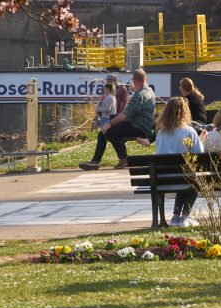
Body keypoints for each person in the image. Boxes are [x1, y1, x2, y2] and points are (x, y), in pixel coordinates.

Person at [81, 68, 155, 168]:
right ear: (145, 79)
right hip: (141, 125)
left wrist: (109, 123)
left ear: (136, 80)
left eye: (133, 79)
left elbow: (125, 114)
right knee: (102, 133)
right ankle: (95, 161)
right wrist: (134, 89)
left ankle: (123, 159)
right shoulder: (149, 91)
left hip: (138, 127)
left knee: (110, 131)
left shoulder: (139, 96)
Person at [153, 97, 206, 230]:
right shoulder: (189, 132)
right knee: (194, 180)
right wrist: (201, 140)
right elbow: (198, 155)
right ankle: (185, 215)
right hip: (182, 176)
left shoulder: (160, 133)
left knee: (183, 175)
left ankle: (176, 216)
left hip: (163, 178)